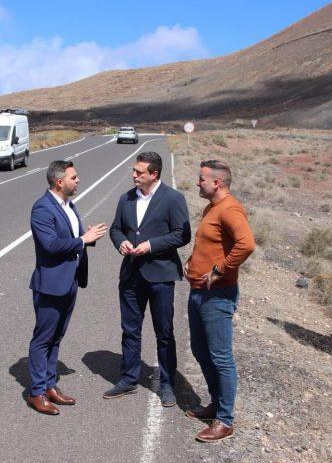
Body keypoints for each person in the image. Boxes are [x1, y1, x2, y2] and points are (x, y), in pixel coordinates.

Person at [107, 151, 191, 406]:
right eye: (134, 171)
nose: (133, 175)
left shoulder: (173, 199)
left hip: (160, 275)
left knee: (164, 332)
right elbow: (116, 229)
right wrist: (121, 242)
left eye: (139, 172)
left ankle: (167, 384)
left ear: (153, 174)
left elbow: (181, 235)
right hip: (131, 275)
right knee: (130, 330)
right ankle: (129, 378)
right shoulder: (126, 199)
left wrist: (152, 245)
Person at [27, 160, 107, 415]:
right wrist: (83, 240)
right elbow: (50, 245)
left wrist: (86, 238)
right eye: (74, 177)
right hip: (50, 284)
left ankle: (50, 385)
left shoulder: (68, 205)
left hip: (69, 281)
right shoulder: (42, 209)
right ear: (59, 181)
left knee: (57, 337)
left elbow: (73, 239)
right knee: (43, 339)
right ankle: (36, 392)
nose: (78, 180)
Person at [184, 160, 255, 442]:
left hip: (218, 296)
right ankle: (215, 404)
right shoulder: (211, 208)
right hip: (198, 292)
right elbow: (208, 243)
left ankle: (225, 420)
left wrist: (219, 271)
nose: (197, 183)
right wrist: (191, 261)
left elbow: (246, 244)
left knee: (221, 357)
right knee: (200, 351)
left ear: (217, 183)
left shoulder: (230, 209)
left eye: (201, 179)